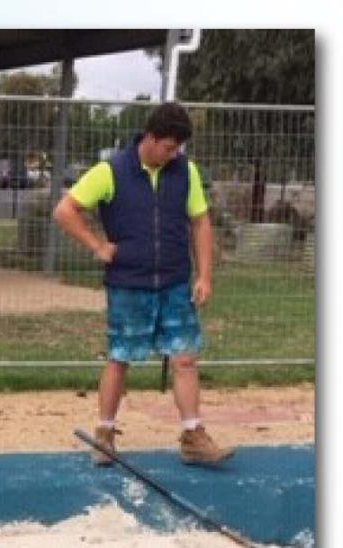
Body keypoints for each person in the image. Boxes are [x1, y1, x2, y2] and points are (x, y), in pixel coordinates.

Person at [53, 102, 233, 466]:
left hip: (174, 282)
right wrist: (98, 246)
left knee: (184, 358)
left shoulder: (187, 172)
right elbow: (65, 211)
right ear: (150, 138)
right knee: (120, 358)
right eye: (168, 147)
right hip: (128, 284)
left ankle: (193, 435)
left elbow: (200, 222)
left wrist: (204, 275)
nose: (172, 155)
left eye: (177, 149)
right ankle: (104, 435)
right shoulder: (111, 171)